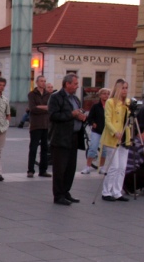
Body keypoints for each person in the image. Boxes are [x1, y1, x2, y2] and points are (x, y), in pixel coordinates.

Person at [48, 74, 87, 206]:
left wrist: (81, 116)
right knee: (60, 168)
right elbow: (53, 116)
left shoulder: (75, 99)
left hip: (74, 136)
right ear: (67, 84)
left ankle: (66, 191)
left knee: (71, 167)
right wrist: (72, 114)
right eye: (75, 84)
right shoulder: (56, 97)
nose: (77, 86)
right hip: (60, 137)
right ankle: (58, 195)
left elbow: (77, 112)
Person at [100, 79, 132, 202]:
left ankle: (117, 191)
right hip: (113, 137)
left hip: (125, 137)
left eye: (126, 88)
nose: (125, 90)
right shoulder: (111, 102)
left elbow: (130, 119)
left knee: (122, 167)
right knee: (114, 166)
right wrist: (115, 132)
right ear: (118, 88)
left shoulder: (127, 103)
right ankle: (106, 191)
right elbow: (107, 120)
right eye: (123, 88)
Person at [27, 76, 52, 178]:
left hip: (46, 124)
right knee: (33, 147)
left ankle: (43, 170)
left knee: (45, 148)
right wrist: (45, 108)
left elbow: (51, 108)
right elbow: (32, 109)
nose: (43, 83)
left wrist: (40, 107)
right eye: (41, 81)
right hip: (36, 124)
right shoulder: (32, 94)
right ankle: (30, 170)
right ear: (37, 82)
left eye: (44, 81)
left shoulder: (49, 95)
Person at [83, 88, 109, 174]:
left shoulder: (110, 106)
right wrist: (93, 123)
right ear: (100, 95)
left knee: (104, 150)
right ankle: (87, 167)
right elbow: (90, 117)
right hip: (96, 131)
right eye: (104, 94)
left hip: (106, 131)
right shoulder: (95, 106)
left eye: (107, 94)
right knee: (93, 148)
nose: (106, 95)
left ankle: (101, 167)